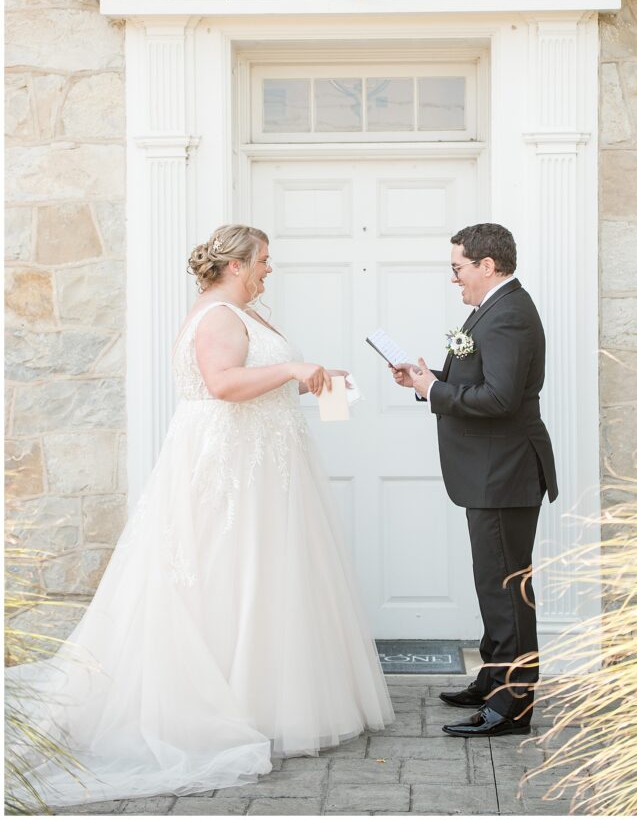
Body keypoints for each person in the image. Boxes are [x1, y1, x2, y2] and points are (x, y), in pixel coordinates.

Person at [9, 224, 393, 807]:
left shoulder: (246, 314)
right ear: (236, 264)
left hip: (262, 461)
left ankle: (261, 696)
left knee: (261, 577)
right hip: (230, 468)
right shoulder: (217, 316)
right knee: (224, 573)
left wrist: (313, 378)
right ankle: (223, 707)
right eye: (264, 259)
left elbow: (256, 378)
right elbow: (222, 383)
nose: (270, 268)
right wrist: (293, 371)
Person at [391, 223, 557, 737]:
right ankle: (493, 677)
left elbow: (502, 400)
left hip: (503, 472)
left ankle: (513, 705)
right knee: (495, 580)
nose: (453, 278)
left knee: (507, 586)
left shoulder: (507, 314)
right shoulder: (492, 309)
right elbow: (480, 384)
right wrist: (430, 383)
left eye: (458, 267)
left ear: (488, 265)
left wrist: (436, 393)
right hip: (490, 471)